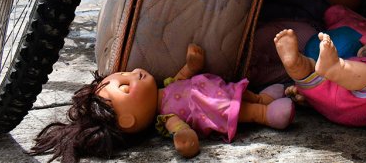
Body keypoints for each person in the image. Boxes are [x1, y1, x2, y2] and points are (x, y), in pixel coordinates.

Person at [30, 44, 295, 162]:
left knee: (240, 92)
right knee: (242, 109)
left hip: (216, 87)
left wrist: (192, 65)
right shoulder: (165, 117)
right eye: (125, 86)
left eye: (122, 75)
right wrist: (184, 137)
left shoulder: (166, 86)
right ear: (127, 120)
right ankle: (267, 113)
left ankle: (264, 97)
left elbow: (182, 77)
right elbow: (180, 130)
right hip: (213, 108)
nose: (131, 74)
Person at [274, 29, 366, 135]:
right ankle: (295, 63)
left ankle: (307, 66)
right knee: (313, 72)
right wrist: (308, 100)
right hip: (331, 96)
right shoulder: (354, 60)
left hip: (363, 101)